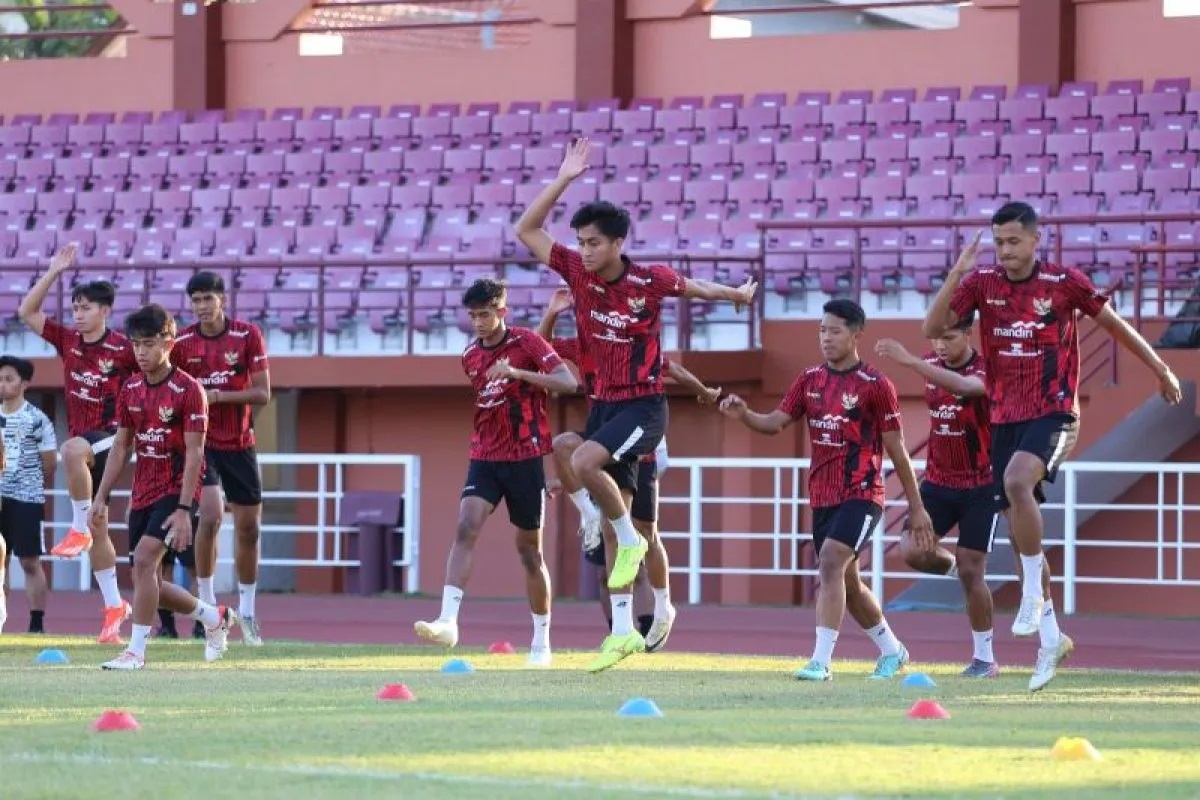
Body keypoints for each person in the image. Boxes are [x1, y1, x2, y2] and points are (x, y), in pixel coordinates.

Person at [515, 138, 755, 672]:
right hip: (604, 409)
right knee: (600, 508)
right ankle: (623, 630)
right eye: (580, 242)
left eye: (594, 243)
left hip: (644, 410)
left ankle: (653, 586)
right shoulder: (576, 274)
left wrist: (737, 296)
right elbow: (526, 231)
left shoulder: (649, 280)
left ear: (619, 243)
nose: (585, 250)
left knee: (602, 489)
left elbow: (696, 288)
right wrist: (563, 179)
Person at [922, 201, 1182, 692]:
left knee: (1017, 481)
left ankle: (1031, 600)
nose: (1005, 250)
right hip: (1005, 419)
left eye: (1014, 241)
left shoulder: (1064, 284)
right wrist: (958, 270)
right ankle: (1051, 639)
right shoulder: (982, 285)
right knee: (1021, 527)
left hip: (1055, 411)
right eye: (999, 242)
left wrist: (1161, 368)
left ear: (1036, 240)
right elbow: (932, 329)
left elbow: (1117, 327)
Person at [720, 299, 930, 681]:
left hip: (863, 493)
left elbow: (897, 449)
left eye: (834, 331)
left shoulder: (876, 386)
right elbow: (774, 423)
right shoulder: (809, 380)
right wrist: (745, 415)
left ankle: (820, 662)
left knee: (831, 560)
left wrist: (916, 508)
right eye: (822, 330)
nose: (826, 338)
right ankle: (893, 650)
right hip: (822, 496)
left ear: (855, 335)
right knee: (847, 579)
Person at [538, 287, 720, 651]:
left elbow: (676, 370)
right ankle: (620, 627)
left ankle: (663, 604)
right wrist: (553, 312)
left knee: (646, 535)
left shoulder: (634, 350)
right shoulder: (582, 348)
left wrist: (704, 392)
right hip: (604, 438)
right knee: (565, 452)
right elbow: (542, 349)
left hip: (642, 449)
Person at [413, 279, 578, 667]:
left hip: (525, 459)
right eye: (473, 316)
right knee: (466, 525)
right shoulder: (470, 355)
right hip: (485, 456)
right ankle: (448, 621)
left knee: (529, 553)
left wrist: (519, 375)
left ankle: (541, 640)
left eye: (485, 314)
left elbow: (568, 383)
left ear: (502, 312)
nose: (479, 322)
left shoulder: (528, 343)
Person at [89, 303, 237, 670]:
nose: (141, 352)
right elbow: (122, 445)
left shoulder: (189, 390)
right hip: (143, 493)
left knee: (142, 563)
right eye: (136, 344)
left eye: (150, 343)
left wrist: (186, 509)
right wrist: (101, 496)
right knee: (148, 583)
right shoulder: (130, 388)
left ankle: (136, 652)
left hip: (176, 490)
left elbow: (195, 453)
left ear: (169, 343)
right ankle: (213, 617)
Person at [18, 242, 136, 644]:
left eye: (86, 308)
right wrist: (53, 271)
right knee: (101, 530)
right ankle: (113, 608)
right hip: (87, 448)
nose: (78, 314)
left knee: (70, 451)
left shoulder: (124, 348)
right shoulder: (68, 341)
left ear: (105, 310)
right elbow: (27, 313)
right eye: (75, 308)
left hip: (114, 438)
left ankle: (77, 525)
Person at [875, 317, 1003, 678]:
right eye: (936, 339)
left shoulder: (988, 368)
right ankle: (955, 569)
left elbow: (965, 386)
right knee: (911, 551)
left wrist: (909, 360)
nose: (941, 346)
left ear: (968, 334)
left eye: (949, 337)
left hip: (982, 483)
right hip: (938, 482)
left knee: (973, 568)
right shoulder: (930, 362)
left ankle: (984, 659)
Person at [170, 271, 271, 646]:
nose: (201, 307)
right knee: (210, 516)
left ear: (222, 300)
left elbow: (262, 393)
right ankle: (210, 610)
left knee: (249, 528)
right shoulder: (180, 341)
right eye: (195, 300)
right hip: (201, 443)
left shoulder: (247, 335)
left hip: (240, 442)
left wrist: (215, 396)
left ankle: (247, 613)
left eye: (207, 299)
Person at [0, 356, 58, 634]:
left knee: (30, 561)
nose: (2, 384)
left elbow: (49, 464)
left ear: (24, 383)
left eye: (8, 379)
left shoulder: (37, 419)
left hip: (27, 499)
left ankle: (36, 624)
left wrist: (23, 479)